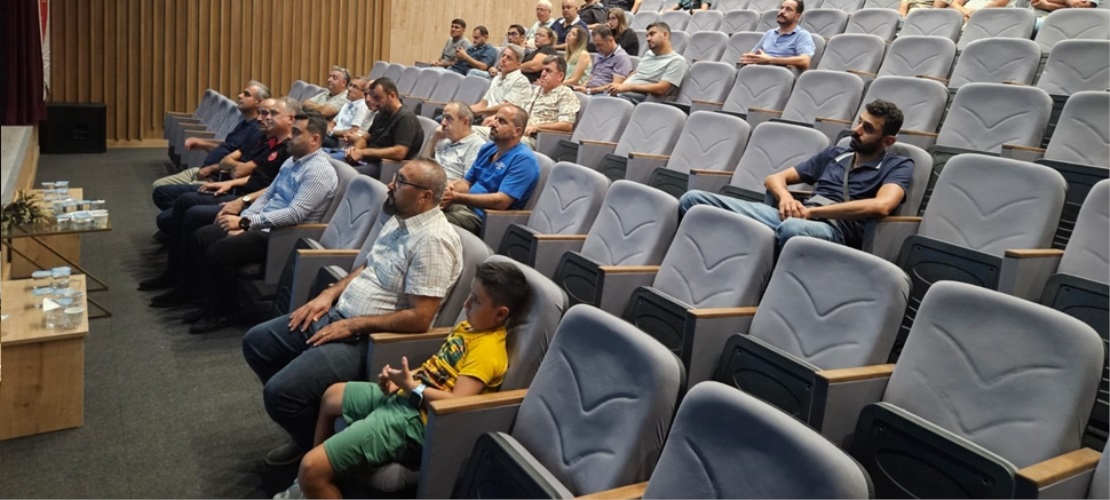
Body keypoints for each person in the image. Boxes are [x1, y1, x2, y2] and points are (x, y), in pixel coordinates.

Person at [242, 158, 463, 467]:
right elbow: (368, 266)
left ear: (425, 196)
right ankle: (311, 425)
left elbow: (420, 318)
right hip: (340, 315)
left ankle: (315, 449)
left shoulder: (433, 241)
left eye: (401, 182)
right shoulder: (400, 218)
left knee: (280, 394)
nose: (390, 185)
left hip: (368, 341)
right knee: (257, 343)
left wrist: (353, 326)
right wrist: (329, 293)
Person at [281, 262, 528, 500]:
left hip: (417, 422)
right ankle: (313, 486)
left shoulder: (487, 351)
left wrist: (412, 387)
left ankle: (313, 480)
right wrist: (402, 380)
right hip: (409, 397)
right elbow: (438, 369)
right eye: (469, 295)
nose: (466, 304)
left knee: (310, 468)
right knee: (332, 395)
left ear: (500, 314)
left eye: (476, 300)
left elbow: (456, 403)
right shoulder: (469, 327)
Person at [678, 100, 914, 250]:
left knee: (791, 229)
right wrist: (786, 198)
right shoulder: (835, 153)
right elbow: (774, 179)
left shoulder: (898, 165)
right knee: (694, 199)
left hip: (834, 229)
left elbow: (881, 206)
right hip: (797, 215)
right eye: (860, 122)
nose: (856, 130)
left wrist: (812, 212)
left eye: (867, 128)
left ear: (888, 141)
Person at [182, 111, 339, 334]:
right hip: (263, 223)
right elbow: (267, 195)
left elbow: (294, 215)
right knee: (201, 237)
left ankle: (224, 312)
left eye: (296, 132)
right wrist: (244, 218)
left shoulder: (318, 171)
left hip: (283, 234)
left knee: (218, 252)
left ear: (314, 139)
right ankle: (209, 302)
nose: (290, 136)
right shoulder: (291, 161)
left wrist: (246, 224)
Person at [142, 97, 296, 294]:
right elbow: (246, 174)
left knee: (192, 214)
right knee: (182, 203)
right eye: (266, 113)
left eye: (272, 114)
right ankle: (175, 273)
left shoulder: (289, 152)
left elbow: (271, 190)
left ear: (291, 120)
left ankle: (185, 282)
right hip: (242, 195)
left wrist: (244, 210)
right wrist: (230, 183)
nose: (265, 118)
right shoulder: (267, 140)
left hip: (251, 202)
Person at [442, 105, 541, 235]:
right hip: (463, 206)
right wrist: (447, 190)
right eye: (495, 118)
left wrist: (456, 197)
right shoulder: (488, 148)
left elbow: (501, 201)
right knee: (421, 207)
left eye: (502, 121)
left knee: (431, 222)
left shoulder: (524, 160)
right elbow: (466, 183)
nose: (493, 124)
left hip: (484, 218)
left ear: (516, 131)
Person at [155, 81, 268, 193]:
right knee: (158, 185)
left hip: (214, 178)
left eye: (246, 94)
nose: (240, 96)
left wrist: (211, 168)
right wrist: (203, 144)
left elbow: (242, 164)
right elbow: (227, 147)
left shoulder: (257, 131)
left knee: (163, 192)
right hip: (203, 171)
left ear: (259, 102)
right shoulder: (243, 123)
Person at [476, 56, 580, 149]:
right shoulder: (537, 90)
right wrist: (498, 119)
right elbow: (522, 113)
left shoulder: (566, 94)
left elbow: (566, 125)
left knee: (497, 138)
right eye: (543, 70)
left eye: (548, 71)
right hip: (519, 132)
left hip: (537, 139)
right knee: (474, 132)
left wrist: (538, 127)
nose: (543, 74)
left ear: (560, 76)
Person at [344, 78, 424, 176]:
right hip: (367, 161)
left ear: (392, 95)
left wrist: (364, 152)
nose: (375, 103)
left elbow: (399, 152)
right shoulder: (381, 115)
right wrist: (355, 151)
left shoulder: (406, 118)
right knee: (335, 166)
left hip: (385, 167)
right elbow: (365, 138)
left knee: (346, 174)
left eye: (378, 98)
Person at [609, 22, 688, 103]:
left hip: (639, 100)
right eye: (647, 36)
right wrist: (620, 86)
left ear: (665, 35)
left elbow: (661, 89)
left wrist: (627, 87)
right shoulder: (648, 54)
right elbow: (636, 73)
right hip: (623, 95)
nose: (648, 38)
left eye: (652, 34)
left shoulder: (677, 60)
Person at [741, 0, 815, 72]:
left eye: (788, 9)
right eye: (781, 8)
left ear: (797, 16)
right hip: (760, 73)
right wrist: (748, 58)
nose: (782, 11)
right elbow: (753, 54)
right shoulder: (770, 33)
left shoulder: (802, 35)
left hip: (781, 76)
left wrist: (769, 59)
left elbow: (805, 61)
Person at [471, 45, 534, 120]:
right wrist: (467, 110)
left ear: (518, 64)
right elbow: (482, 104)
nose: (503, 59)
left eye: (509, 58)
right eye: (503, 55)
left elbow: (506, 109)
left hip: (499, 121)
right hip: (484, 117)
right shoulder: (497, 78)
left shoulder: (521, 82)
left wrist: (480, 112)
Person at [428, 102, 486, 181]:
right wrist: (435, 138)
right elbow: (428, 160)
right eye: (443, 117)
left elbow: (468, 182)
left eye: (449, 118)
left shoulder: (477, 146)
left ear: (465, 122)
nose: (443, 123)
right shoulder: (445, 140)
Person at [575, 26, 634, 95]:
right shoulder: (599, 55)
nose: (597, 49)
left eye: (600, 45)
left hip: (603, 94)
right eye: (596, 45)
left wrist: (590, 91)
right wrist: (580, 89)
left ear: (610, 41)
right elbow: (590, 79)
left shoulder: (621, 57)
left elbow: (614, 86)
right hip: (589, 91)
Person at [323, 77, 369, 149]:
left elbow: (353, 130)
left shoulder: (362, 106)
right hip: (332, 136)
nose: (349, 89)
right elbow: (333, 122)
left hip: (341, 141)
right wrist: (328, 129)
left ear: (363, 93)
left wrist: (331, 132)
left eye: (355, 87)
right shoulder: (347, 104)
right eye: (350, 85)